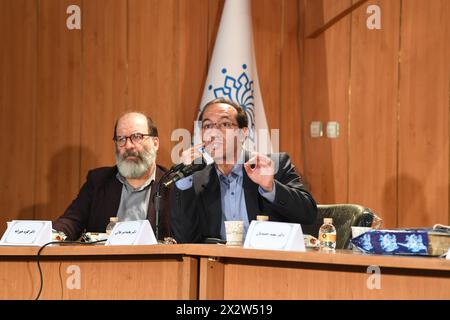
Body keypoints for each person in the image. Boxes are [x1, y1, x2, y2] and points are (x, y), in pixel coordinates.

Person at [171, 98, 317, 243]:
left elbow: (309, 215)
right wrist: (184, 182)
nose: (214, 133)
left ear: (243, 133)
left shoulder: (273, 166)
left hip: (267, 261)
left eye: (225, 124)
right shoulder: (195, 180)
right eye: (207, 126)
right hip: (216, 263)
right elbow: (184, 239)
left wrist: (271, 187)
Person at [53, 112, 171, 241]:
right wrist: (54, 235)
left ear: (155, 143)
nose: (128, 145)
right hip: (106, 260)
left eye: (137, 137)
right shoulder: (98, 181)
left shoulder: (172, 185)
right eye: (121, 139)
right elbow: (72, 221)